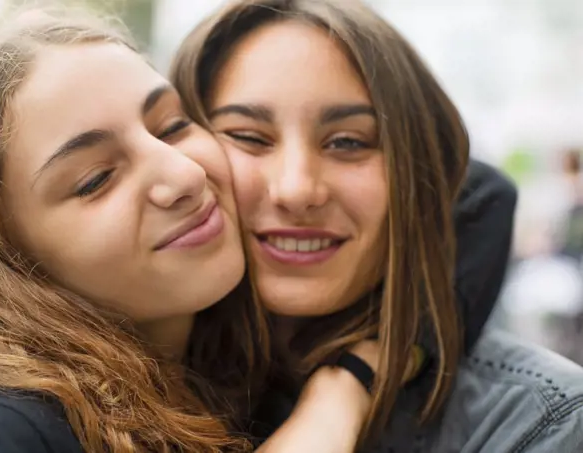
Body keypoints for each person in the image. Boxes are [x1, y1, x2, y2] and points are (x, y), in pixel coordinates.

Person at [0, 8, 419, 453]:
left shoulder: (221, 356)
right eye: (96, 179)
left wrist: (344, 386)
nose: (185, 175)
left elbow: (465, 198)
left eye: (171, 125)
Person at [170, 0, 583, 450]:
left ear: (416, 176)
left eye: (349, 142)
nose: (296, 189)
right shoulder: (105, 388)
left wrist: (350, 380)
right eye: (248, 137)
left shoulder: (536, 422)